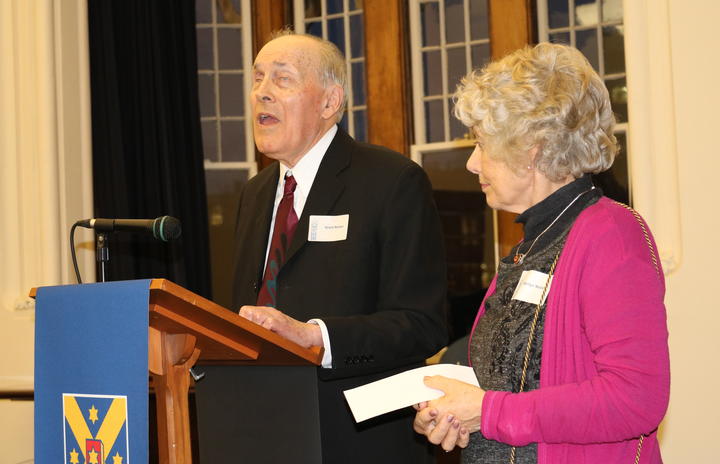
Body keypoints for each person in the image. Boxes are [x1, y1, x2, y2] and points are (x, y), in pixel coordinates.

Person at [412, 43, 670, 463]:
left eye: (482, 144)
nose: (472, 164)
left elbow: (635, 399)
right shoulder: (533, 242)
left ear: (530, 149)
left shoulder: (611, 235)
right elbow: (512, 386)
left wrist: (485, 410)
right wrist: (454, 412)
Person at [206, 30, 447, 463]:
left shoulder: (391, 182)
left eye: (282, 79)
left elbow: (421, 323)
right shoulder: (255, 194)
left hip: (354, 441)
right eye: (257, 78)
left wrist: (317, 337)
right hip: (258, 431)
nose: (261, 93)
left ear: (330, 102)